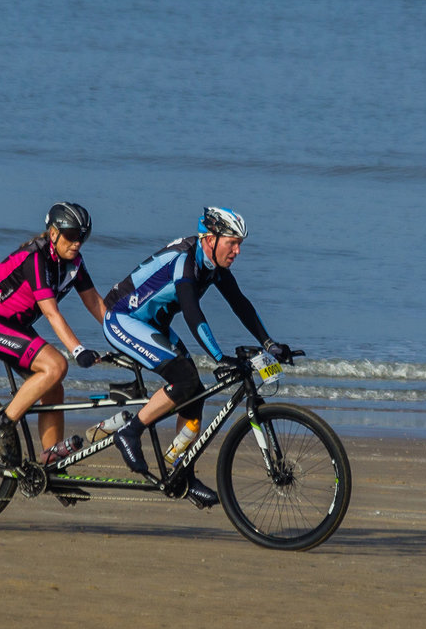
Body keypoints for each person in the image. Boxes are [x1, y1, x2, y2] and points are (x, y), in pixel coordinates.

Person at [101, 207, 293, 509]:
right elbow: (193, 314)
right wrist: (219, 356)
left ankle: (180, 470)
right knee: (185, 381)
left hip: (153, 326)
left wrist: (270, 344)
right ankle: (130, 432)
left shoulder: (213, 266)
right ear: (210, 238)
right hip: (123, 319)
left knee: (196, 394)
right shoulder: (185, 261)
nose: (238, 250)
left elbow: (240, 303)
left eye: (240, 243)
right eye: (232, 242)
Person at [0, 202, 107, 464]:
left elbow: (95, 303)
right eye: (72, 235)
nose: (77, 243)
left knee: (54, 387)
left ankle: (50, 463)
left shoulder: (74, 262)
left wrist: (122, 335)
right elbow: (52, 314)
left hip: (14, 324)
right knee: (56, 365)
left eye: (83, 237)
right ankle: (2, 424)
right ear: (53, 233)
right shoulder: (36, 258)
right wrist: (79, 350)